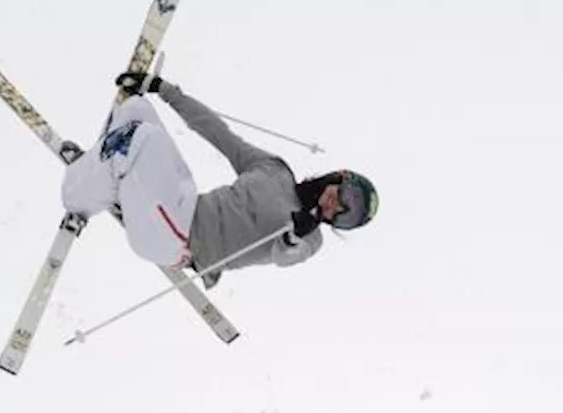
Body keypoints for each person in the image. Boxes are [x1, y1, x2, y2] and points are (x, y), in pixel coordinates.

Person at [59, 70, 378, 289]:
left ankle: (79, 192)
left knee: (144, 139)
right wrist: (165, 90)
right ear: (338, 178)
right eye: (346, 194)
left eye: (345, 214)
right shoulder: (274, 169)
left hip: (182, 244)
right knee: (135, 109)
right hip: (181, 204)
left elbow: (286, 256)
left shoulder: (310, 240)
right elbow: (217, 132)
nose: (338, 205)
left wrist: (295, 234)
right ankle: (102, 170)